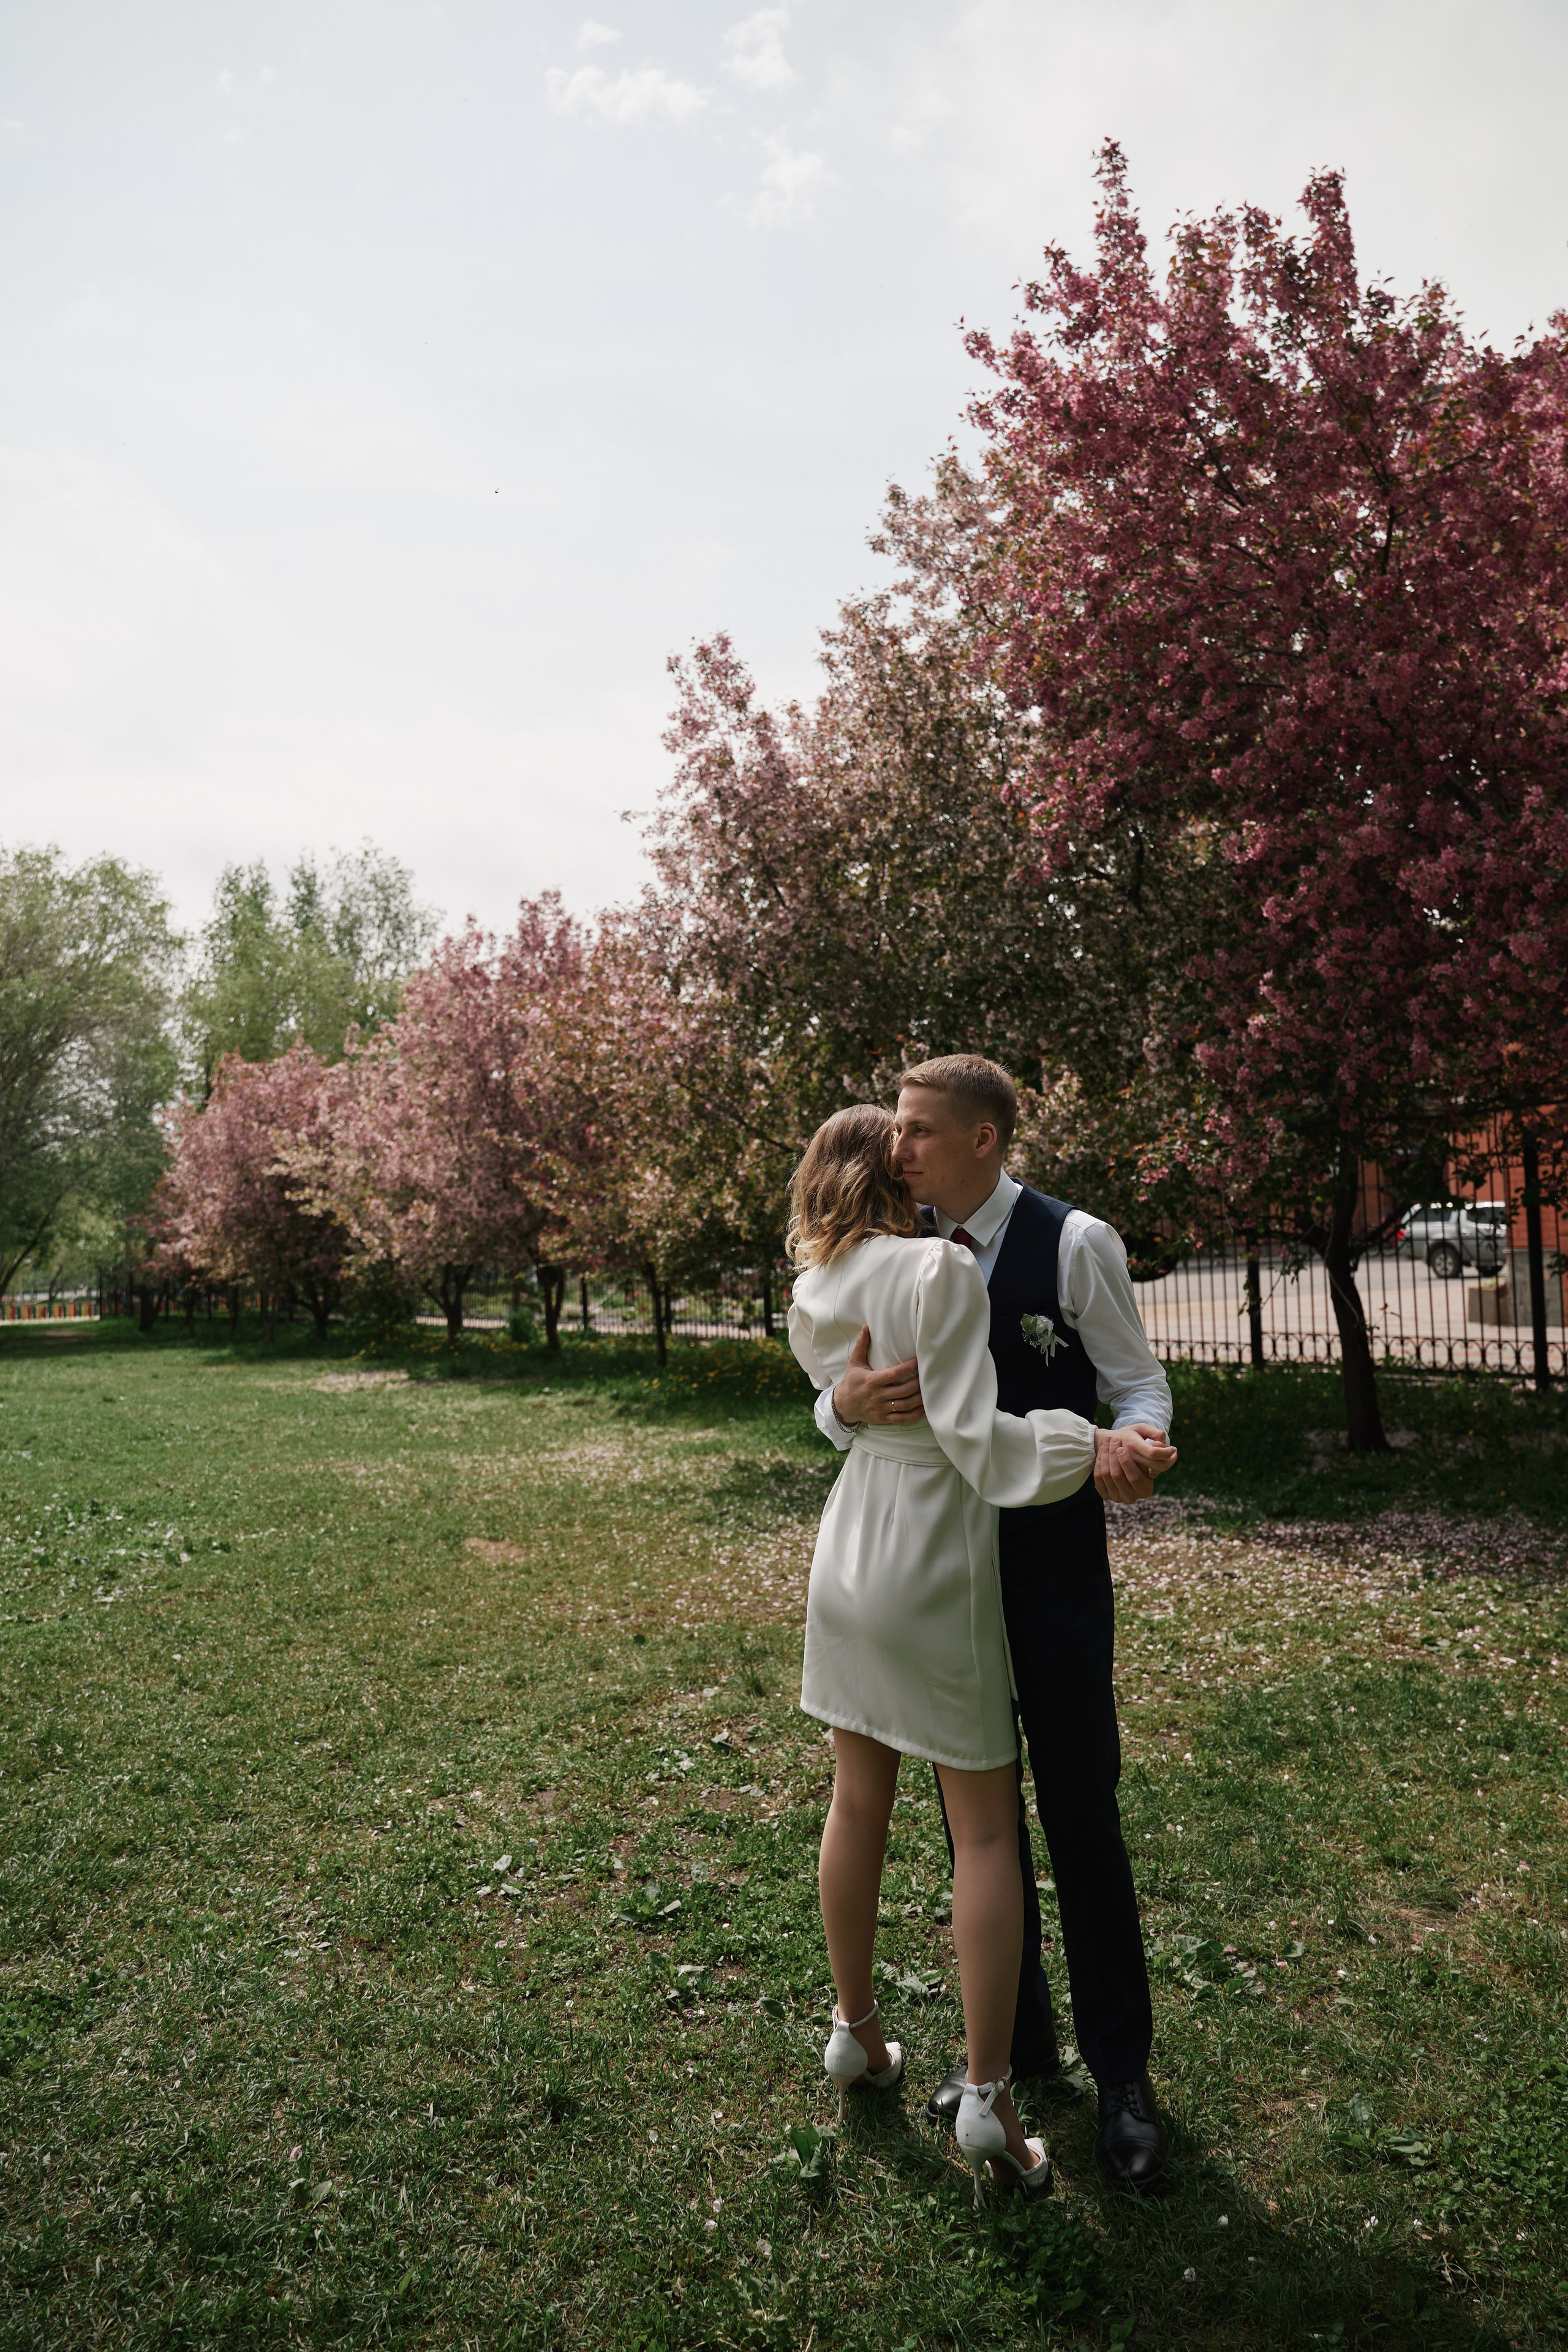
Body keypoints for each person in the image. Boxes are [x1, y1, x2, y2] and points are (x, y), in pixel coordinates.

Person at [786, 1104, 1174, 2204]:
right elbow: (952, 1429)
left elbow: (1138, 1382)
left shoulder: (1069, 1241)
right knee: (982, 1828)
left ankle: (1119, 2079)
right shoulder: (927, 1267)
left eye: (923, 1126)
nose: (908, 1145)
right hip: (943, 1557)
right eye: (895, 1131)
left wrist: (1128, 1439)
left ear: (983, 1138)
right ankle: (1005, 2070)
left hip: (1003, 1567)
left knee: (1075, 1813)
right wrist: (842, 1405)